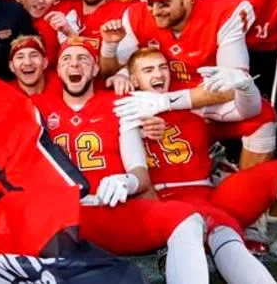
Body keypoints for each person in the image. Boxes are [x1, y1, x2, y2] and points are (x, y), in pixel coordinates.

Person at [35, 37, 210, 284]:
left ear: (95, 69)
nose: (74, 64)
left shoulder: (119, 104)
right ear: (58, 70)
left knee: (187, 218)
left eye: (83, 58)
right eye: (67, 59)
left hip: (112, 211)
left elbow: (141, 175)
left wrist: (126, 181)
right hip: (63, 220)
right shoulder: (36, 107)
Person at [127, 47, 277, 265]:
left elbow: (251, 112)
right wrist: (135, 132)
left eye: (163, 67)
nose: (158, 74)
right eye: (148, 70)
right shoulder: (120, 109)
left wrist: (246, 87)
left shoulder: (189, 102)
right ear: (133, 79)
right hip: (165, 204)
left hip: (209, 196)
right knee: (214, 232)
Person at [101, 0, 276, 171]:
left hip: (206, 98)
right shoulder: (137, 15)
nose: (155, 11)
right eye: (150, 2)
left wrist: (165, 102)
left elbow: (230, 86)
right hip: (163, 94)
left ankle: (247, 187)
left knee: (263, 119)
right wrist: (110, 48)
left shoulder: (222, 12)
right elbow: (110, 71)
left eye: (164, 3)